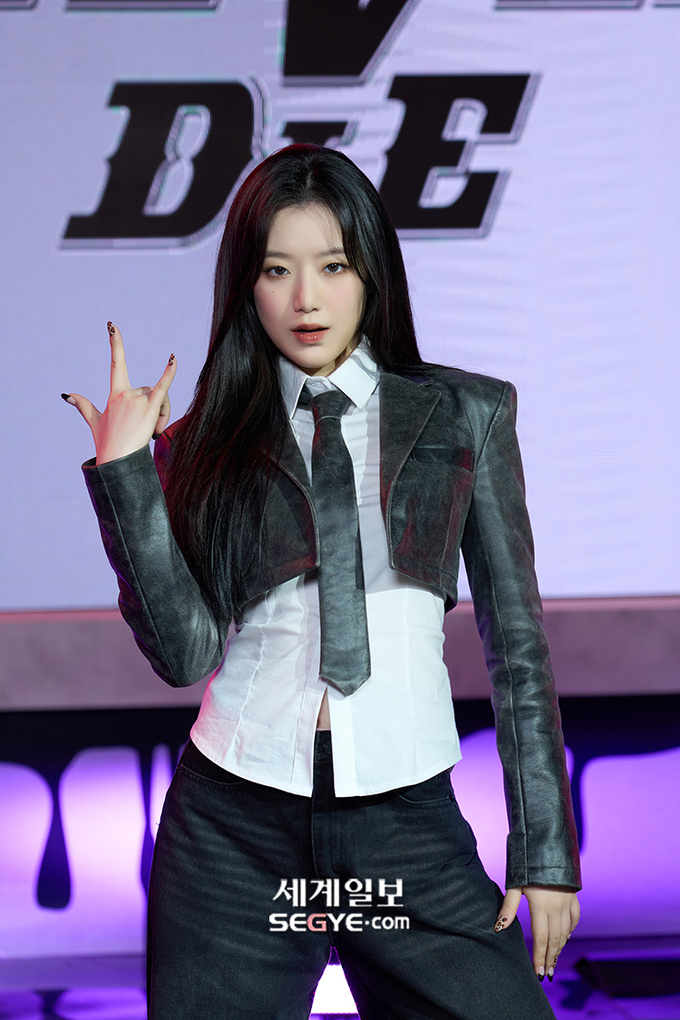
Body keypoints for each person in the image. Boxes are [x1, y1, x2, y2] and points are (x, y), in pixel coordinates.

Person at [63, 143, 580, 1020]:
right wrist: (125, 474)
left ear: (371, 271)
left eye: (333, 266)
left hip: (406, 822)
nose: (306, 298)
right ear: (246, 285)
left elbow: (518, 646)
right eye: (277, 270)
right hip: (234, 830)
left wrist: (546, 854)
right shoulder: (201, 442)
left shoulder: (467, 414)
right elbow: (185, 655)